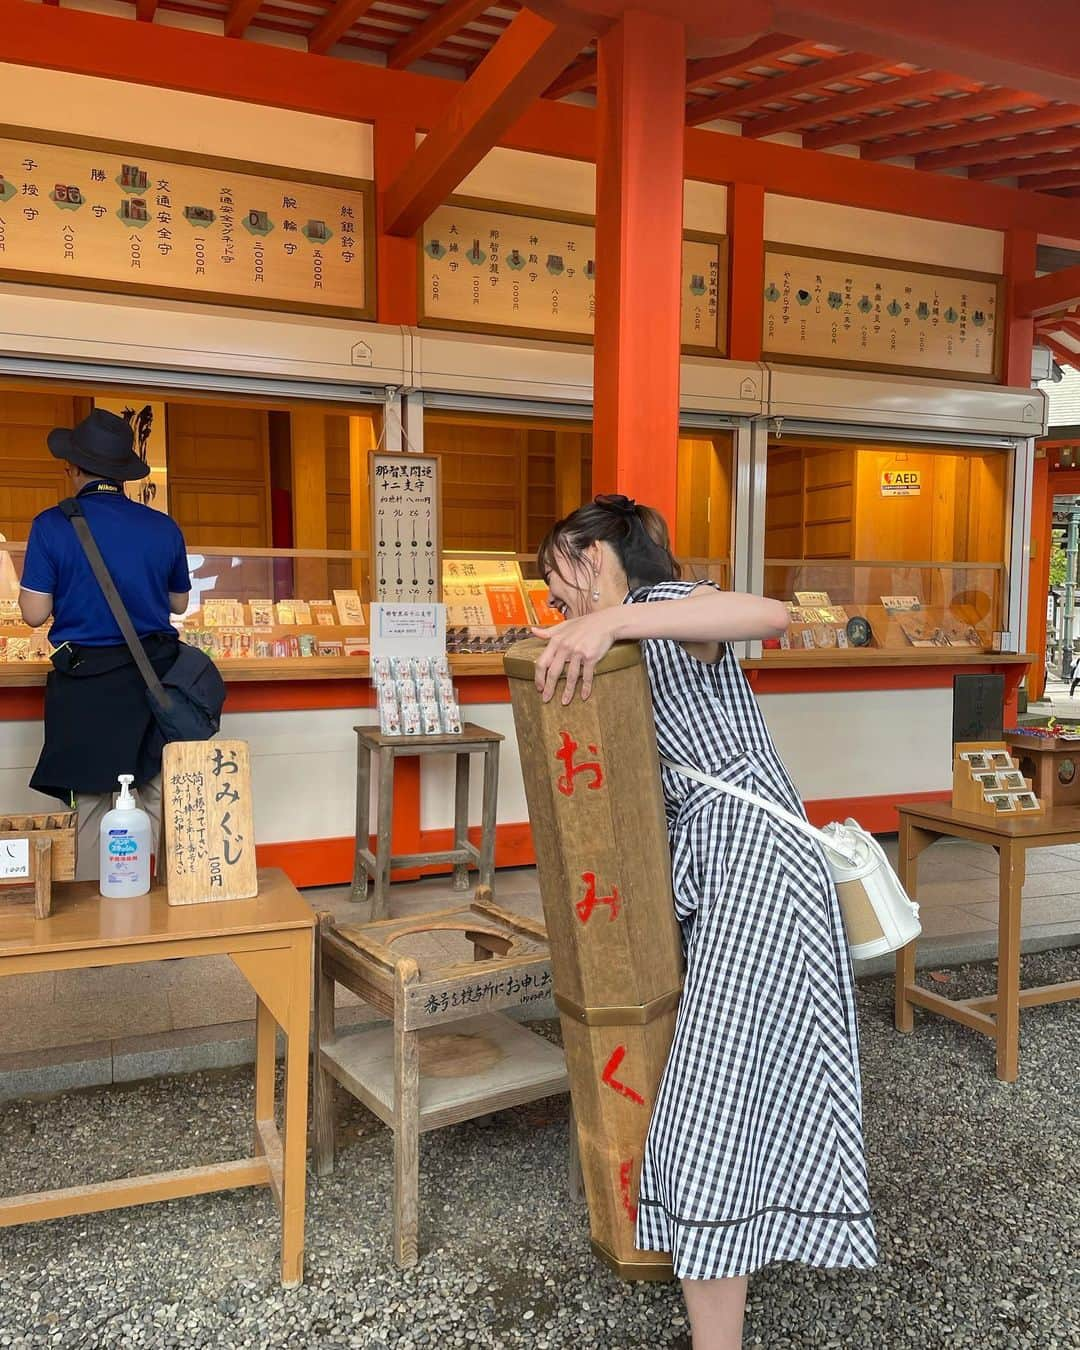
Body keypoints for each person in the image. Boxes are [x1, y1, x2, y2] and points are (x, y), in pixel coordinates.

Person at [532, 494, 876, 1350]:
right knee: (743, 1090)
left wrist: (609, 619)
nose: (556, 601)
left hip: (756, 868)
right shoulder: (637, 626)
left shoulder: (656, 609)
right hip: (736, 871)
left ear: (593, 552)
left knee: (705, 1110)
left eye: (557, 577)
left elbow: (768, 613)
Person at [19, 408, 191, 880]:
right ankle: (166, 906)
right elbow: (178, 603)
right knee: (154, 791)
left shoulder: (52, 525)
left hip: (87, 681)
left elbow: (34, 613)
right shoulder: (163, 527)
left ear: (74, 468)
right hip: (155, 677)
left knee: (94, 799)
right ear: (123, 475)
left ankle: (98, 915)